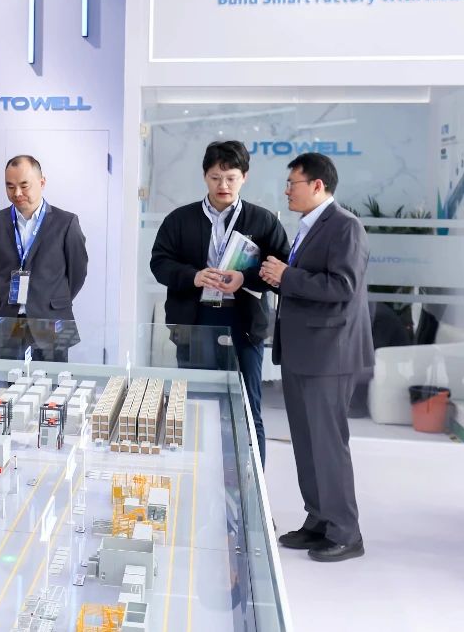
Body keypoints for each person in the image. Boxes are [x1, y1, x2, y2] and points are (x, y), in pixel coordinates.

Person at [260, 152, 372, 563]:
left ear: (318, 186)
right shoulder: (309, 226)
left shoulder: (345, 226)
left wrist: (286, 276)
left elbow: (342, 286)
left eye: (293, 183)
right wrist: (277, 278)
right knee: (307, 443)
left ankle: (346, 531)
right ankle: (319, 519)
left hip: (329, 354)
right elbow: (307, 284)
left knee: (327, 444)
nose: (287, 191)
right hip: (302, 351)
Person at [149, 141, 289, 465]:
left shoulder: (263, 221)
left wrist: (246, 278)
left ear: (244, 177)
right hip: (195, 321)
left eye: (231, 178)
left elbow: (281, 269)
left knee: (248, 406)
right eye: (215, 177)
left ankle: (253, 487)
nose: (222, 185)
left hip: (244, 323)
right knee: (196, 403)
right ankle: (198, 477)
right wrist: (194, 276)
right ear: (204, 176)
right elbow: (159, 263)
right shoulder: (179, 220)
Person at [0, 155, 88, 362]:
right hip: (5, 321)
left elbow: (78, 272)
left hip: (51, 320)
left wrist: (51, 299)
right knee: (4, 381)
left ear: (42, 182)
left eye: (24, 185)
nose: (17, 193)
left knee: (52, 381)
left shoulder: (66, 223)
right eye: (10, 186)